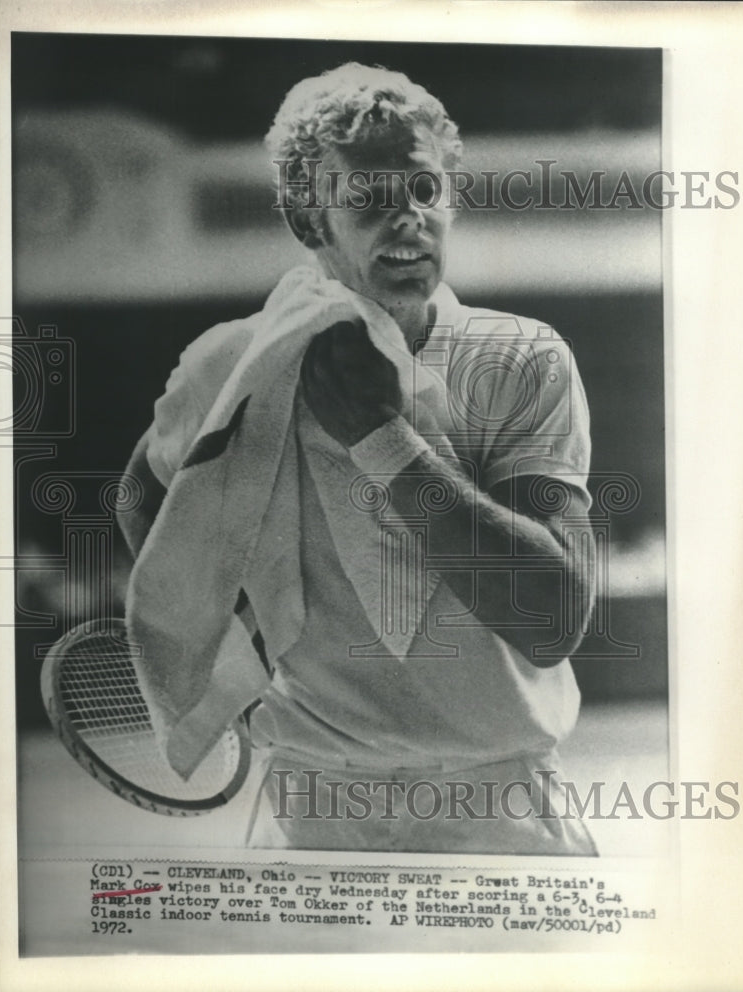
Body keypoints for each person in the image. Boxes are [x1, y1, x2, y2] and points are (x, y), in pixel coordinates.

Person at [119, 62, 597, 855]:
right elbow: (140, 500)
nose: (406, 221)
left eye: (421, 191)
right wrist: (235, 655)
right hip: (314, 806)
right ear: (309, 223)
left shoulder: (521, 357)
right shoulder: (232, 362)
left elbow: (551, 621)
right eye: (369, 202)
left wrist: (381, 438)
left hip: (499, 804)